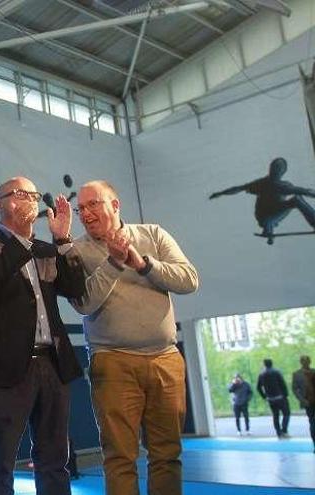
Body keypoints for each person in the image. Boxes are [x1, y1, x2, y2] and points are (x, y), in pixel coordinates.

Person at [69, 180, 199, 495]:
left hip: (165, 359)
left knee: (167, 454)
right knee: (119, 456)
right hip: (112, 361)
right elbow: (83, 302)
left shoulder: (153, 234)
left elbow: (189, 279)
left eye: (93, 204)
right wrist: (115, 263)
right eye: (80, 208)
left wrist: (142, 264)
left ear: (115, 205)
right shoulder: (77, 250)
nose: (85, 213)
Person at [0, 177, 85, 495]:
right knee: (0, 462)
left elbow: (77, 290)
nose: (30, 199)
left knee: (54, 459)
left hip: (53, 365)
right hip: (5, 370)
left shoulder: (48, 251)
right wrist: (20, 240)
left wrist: (62, 240)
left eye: (33, 194)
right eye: (19, 194)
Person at [209, 157, 315, 243]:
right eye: (275, 168)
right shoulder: (277, 185)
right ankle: (268, 227)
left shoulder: (265, 183)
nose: (275, 171)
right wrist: (221, 193)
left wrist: (221, 193)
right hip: (266, 218)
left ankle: (268, 227)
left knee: (295, 199)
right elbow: (304, 191)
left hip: (267, 217)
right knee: (296, 199)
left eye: (277, 169)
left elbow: (240, 188)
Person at [258, 358, 291, 438]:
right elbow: (282, 384)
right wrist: (286, 394)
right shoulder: (276, 372)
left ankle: (278, 433)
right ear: (271, 363)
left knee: (275, 415)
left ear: (264, 364)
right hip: (280, 397)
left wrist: (264, 396)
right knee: (286, 413)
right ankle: (284, 430)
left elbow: (258, 387)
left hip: (270, 398)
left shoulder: (261, 374)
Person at [291, 355, 315, 451]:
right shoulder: (297, 374)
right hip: (308, 402)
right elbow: (295, 389)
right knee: (313, 423)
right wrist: (302, 400)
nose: (306, 362)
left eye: (307, 360)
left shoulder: (314, 371)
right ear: (301, 362)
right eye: (304, 361)